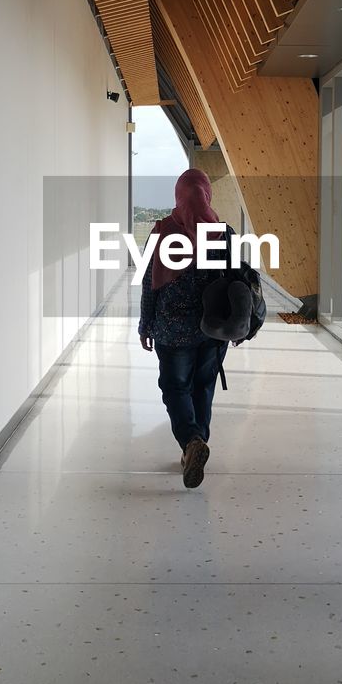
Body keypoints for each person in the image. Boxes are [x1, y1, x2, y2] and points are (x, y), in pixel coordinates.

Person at [138, 169, 231, 489]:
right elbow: (235, 282)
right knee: (203, 386)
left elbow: (150, 284)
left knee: (176, 388)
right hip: (212, 328)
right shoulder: (223, 232)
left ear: (179, 195)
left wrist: (145, 323)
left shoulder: (162, 232)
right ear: (206, 194)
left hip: (171, 328)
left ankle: (191, 442)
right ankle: (197, 443)